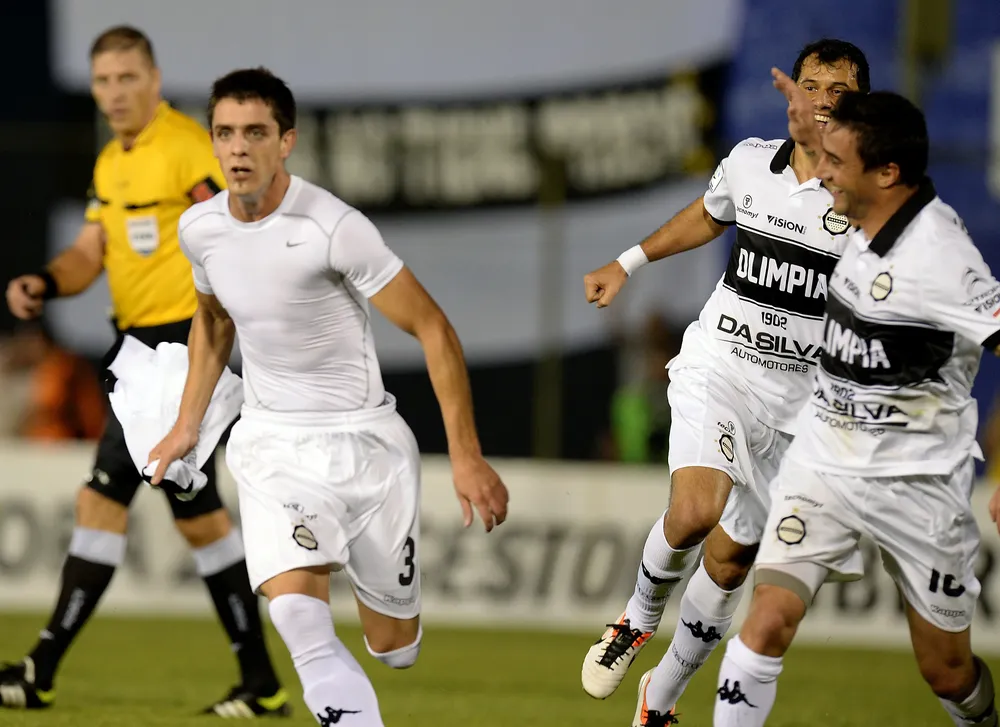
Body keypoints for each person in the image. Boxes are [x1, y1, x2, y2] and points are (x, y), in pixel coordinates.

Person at [147, 67, 510, 727]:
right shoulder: (200, 229)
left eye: (255, 132)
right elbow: (213, 321)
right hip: (270, 445)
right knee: (296, 614)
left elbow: (434, 327)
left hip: (365, 447)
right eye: (224, 132)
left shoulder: (333, 227)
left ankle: (387, 627)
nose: (237, 149)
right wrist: (185, 425)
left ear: (286, 141)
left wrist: (466, 455)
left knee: (393, 647)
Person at [580, 39, 870, 725]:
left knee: (733, 561)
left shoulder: (869, 198)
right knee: (693, 512)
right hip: (723, 368)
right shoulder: (749, 163)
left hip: (801, 406)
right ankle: (634, 620)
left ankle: (663, 696)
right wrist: (628, 260)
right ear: (791, 93)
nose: (824, 96)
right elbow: (708, 215)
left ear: (862, 103)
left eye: (841, 88)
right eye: (812, 83)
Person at [0, 27, 288, 717]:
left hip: (182, 347)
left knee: (106, 500)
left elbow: (234, 222)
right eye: (103, 81)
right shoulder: (111, 164)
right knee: (198, 519)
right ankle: (261, 678)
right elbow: (88, 251)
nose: (115, 93)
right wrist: (45, 278)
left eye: (128, 78)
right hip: (140, 354)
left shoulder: (186, 146)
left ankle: (40, 668)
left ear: (154, 79)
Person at [712, 89, 999, 727]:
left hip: (917, 481)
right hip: (824, 463)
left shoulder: (943, 260)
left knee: (946, 672)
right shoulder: (846, 222)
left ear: (887, 173)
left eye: (837, 161)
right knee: (765, 625)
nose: (824, 172)